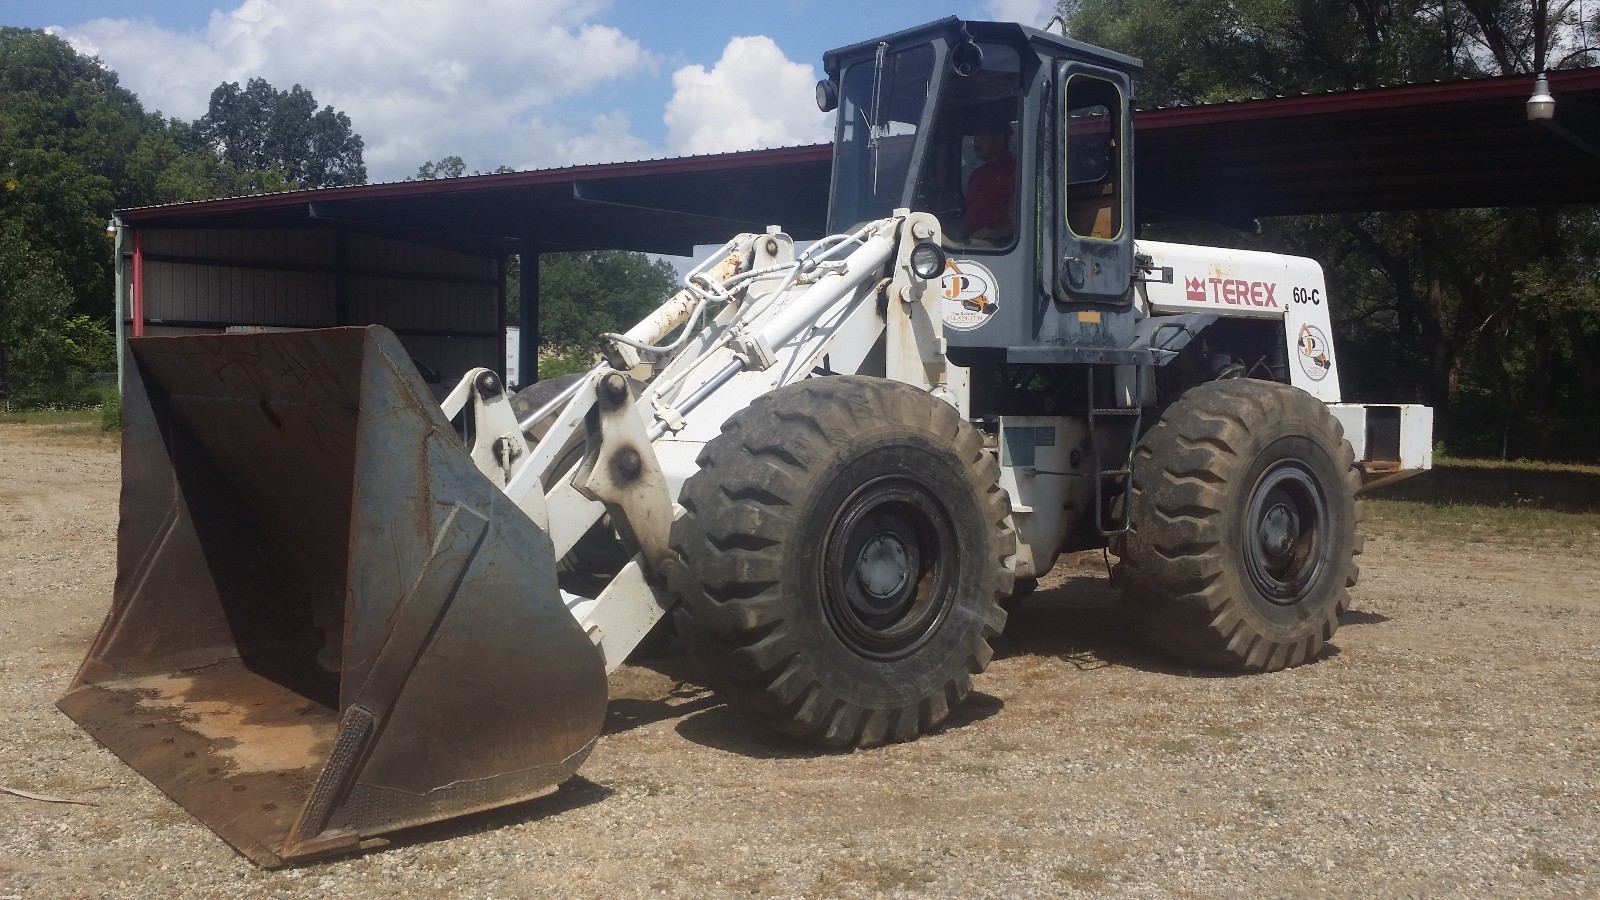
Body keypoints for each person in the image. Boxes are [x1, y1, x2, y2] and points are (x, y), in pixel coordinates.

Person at [961, 118, 1017, 244]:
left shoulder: (1017, 171)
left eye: (980, 136)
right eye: (974, 137)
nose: (975, 142)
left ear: (1000, 138)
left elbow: (1026, 218)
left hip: (1002, 248)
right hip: (969, 245)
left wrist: (997, 233)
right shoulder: (976, 175)